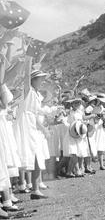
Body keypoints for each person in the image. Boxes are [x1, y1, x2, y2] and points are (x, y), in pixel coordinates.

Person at [14, 69, 62, 200]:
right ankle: (17, 188)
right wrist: (29, 56)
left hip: (31, 126)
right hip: (24, 126)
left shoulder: (35, 93)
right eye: (40, 78)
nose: (42, 81)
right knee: (19, 156)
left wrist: (51, 113)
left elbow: (37, 113)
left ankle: (35, 189)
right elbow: (32, 113)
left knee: (37, 157)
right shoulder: (28, 89)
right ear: (32, 79)